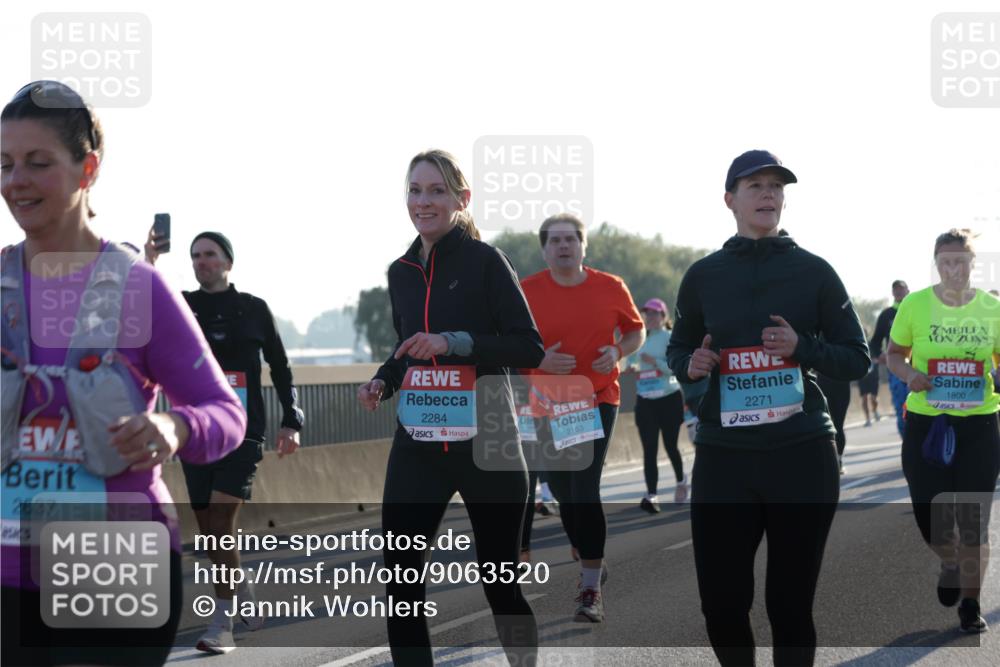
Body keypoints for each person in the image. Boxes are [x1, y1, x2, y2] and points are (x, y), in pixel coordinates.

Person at [1, 81, 245, 666]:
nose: (15, 182)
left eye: (38, 163)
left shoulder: (139, 286)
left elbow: (225, 413)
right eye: (4, 165)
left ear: (88, 168)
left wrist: (174, 428)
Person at [667, 150, 870, 666]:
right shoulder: (703, 275)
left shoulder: (815, 272)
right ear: (730, 199)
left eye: (777, 187)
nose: (768, 194)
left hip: (801, 453)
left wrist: (802, 348)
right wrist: (692, 363)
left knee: (789, 604)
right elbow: (678, 347)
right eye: (755, 185)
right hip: (725, 455)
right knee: (722, 605)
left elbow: (856, 359)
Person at [355, 149, 542, 666]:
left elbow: (529, 346)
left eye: (436, 190)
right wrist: (382, 381)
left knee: (500, 587)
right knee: (401, 584)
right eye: (415, 190)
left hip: (488, 443)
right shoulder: (400, 271)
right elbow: (406, 350)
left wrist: (454, 342)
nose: (423, 201)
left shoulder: (486, 262)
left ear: (462, 199)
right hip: (419, 445)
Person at [145, 230, 304, 653]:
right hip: (198, 429)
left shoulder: (253, 310)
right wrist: (150, 261)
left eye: (210, 254)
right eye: (196, 255)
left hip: (245, 430)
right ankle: (239, 590)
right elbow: (142, 307)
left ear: (228, 262)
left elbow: (281, 367)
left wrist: (292, 421)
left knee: (219, 523)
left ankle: (222, 624)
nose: (202, 261)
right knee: (210, 530)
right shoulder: (183, 306)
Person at [520, 212, 645, 623]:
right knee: (562, 487)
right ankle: (586, 550)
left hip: (596, 397)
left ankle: (590, 587)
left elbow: (635, 330)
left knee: (584, 485)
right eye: (554, 240)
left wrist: (619, 351)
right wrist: (540, 359)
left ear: (583, 245)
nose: (563, 246)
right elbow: (512, 344)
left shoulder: (610, 287)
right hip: (549, 400)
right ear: (544, 249)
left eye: (571, 239)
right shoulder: (527, 291)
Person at [887, 229, 1000, 633]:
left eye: (961, 261)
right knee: (927, 514)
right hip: (927, 424)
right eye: (946, 261)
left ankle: (970, 604)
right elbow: (894, 355)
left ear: (973, 263)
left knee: (973, 521)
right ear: (937, 264)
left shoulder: (992, 309)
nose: (954, 268)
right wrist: (911, 373)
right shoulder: (915, 305)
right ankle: (949, 559)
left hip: (978, 425)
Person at [625, 298, 687, 510]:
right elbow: (634, 364)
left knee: (671, 446)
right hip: (646, 400)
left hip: (669, 399)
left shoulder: (670, 337)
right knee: (649, 449)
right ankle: (652, 495)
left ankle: (681, 481)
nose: (649, 317)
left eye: (654, 313)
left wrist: (656, 363)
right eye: (647, 313)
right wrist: (633, 369)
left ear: (663, 316)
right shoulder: (641, 339)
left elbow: (676, 367)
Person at [871, 280, 911, 438]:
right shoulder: (887, 315)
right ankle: (907, 442)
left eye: (902, 289)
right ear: (892, 293)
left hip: (920, 366)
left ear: (908, 290)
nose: (899, 292)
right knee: (902, 407)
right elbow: (874, 342)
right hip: (897, 369)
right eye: (896, 290)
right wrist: (879, 355)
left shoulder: (917, 310)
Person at [816, 371, 850, 474]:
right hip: (827, 384)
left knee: (837, 425)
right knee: (832, 425)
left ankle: (837, 460)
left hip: (839, 383)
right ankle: (834, 461)